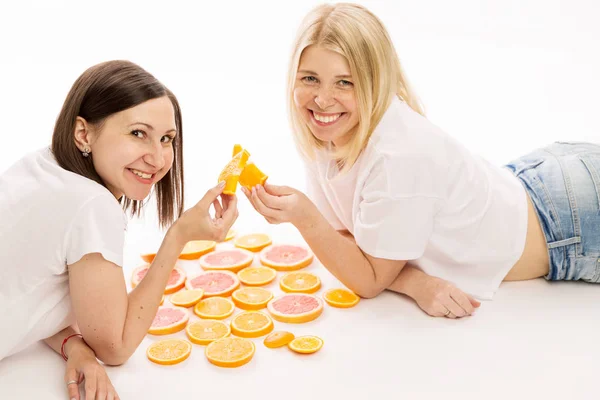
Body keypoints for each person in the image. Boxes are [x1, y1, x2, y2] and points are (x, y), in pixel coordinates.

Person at [243, 3, 600, 319]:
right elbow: (347, 237)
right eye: (310, 78)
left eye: (344, 83)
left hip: (573, 223)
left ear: (375, 83)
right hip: (540, 182)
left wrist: (305, 217)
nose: (322, 99)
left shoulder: (397, 155)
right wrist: (417, 282)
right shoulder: (329, 131)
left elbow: (368, 279)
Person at [0, 60, 238, 399]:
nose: (157, 159)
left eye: (167, 138)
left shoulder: (41, 165)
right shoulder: (92, 205)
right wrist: (178, 236)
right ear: (83, 133)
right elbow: (116, 348)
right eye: (138, 133)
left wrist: (73, 344)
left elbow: (23, 289)